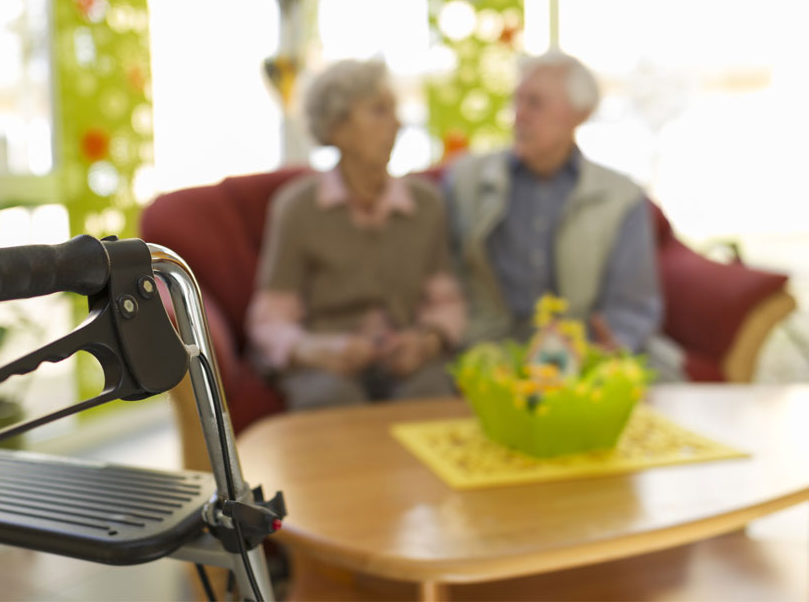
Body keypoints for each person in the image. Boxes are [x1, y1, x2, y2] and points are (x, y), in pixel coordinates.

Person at [246, 59, 465, 411]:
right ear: (337, 129)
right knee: (330, 398)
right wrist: (315, 350)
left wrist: (427, 340)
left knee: (432, 391)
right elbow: (272, 318)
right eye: (379, 111)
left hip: (403, 357)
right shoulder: (297, 208)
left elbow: (446, 301)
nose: (397, 124)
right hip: (326, 360)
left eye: (396, 111)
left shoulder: (426, 204)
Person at [445, 50, 662, 353]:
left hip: (585, 355)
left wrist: (609, 348)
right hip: (492, 353)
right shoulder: (465, 180)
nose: (518, 115)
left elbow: (631, 305)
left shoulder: (621, 196)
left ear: (580, 113)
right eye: (516, 101)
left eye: (534, 103)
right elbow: (442, 276)